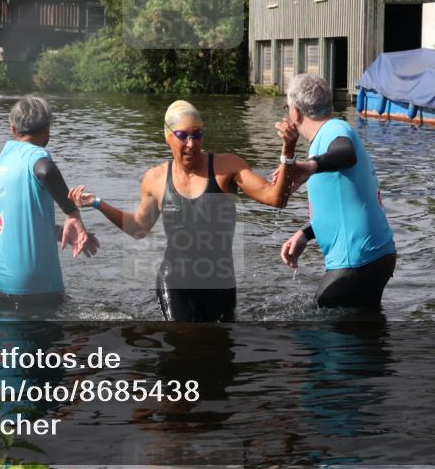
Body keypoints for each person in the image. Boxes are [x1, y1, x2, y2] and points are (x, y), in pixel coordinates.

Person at [69, 100, 297, 322]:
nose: (191, 144)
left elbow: (276, 199)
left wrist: (288, 152)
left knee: (219, 343)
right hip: (174, 281)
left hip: (219, 282)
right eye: (182, 135)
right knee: (180, 338)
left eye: (197, 135)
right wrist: (98, 203)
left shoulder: (227, 167)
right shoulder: (155, 178)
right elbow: (139, 228)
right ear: (167, 136)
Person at [277, 74, 397, 308]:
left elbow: (346, 154)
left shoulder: (334, 130)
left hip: (355, 261)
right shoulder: (328, 138)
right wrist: (305, 234)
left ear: (296, 112)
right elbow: (342, 205)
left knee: (316, 324)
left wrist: (311, 166)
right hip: (376, 257)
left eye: (287, 108)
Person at [0, 96, 98, 310]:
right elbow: (46, 171)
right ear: (47, 129)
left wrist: (61, 233)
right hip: (36, 289)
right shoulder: (35, 155)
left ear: (12, 128)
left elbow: (17, 222)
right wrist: (72, 214)